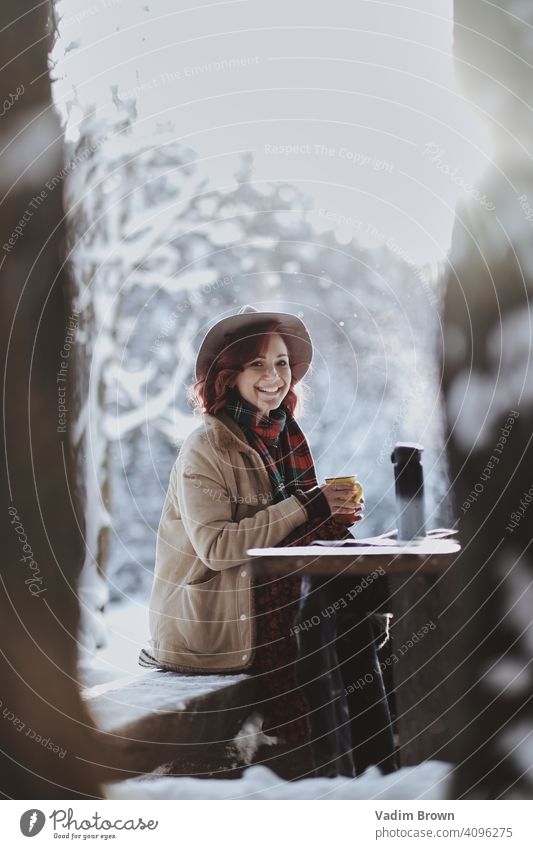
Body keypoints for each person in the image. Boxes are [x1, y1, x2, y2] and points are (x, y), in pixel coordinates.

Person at [142, 305, 397, 777]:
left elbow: (294, 532)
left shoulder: (284, 437)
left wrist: (328, 516)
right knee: (323, 615)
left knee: (357, 614)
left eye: (281, 363)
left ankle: (373, 768)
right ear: (228, 375)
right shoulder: (208, 446)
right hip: (215, 619)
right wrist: (310, 508)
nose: (273, 376)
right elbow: (218, 549)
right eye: (257, 363)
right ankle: (334, 769)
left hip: (266, 596)